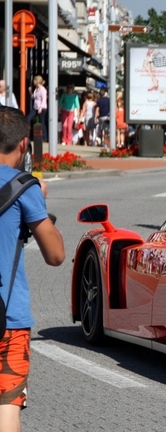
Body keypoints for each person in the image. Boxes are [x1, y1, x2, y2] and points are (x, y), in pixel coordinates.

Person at [0, 106, 65, 431]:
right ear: (24, 145)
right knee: (6, 407)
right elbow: (55, 255)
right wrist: (38, 203)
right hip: (7, 320)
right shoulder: (25, 188)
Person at [25, 76, 48, 142]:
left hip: (41, 108)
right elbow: (34, 97)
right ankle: (28, 134)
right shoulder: (36, 89)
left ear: (37, 81)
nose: (33, 82)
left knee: (42, 122)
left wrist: (40, 108)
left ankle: (44, 137)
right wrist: (30, 92)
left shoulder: (43, 90)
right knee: (28, 118)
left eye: (34, 80)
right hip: (35, 107)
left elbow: (44, 99)